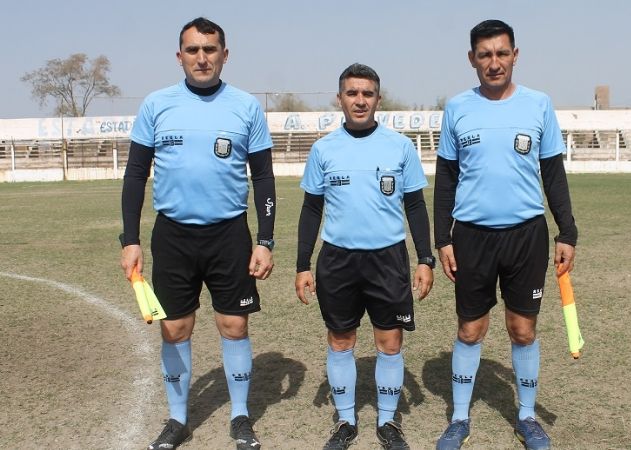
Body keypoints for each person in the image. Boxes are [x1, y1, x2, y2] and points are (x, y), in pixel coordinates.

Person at [119, 17, 275, 450]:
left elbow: (263, 177)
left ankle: (240, 416)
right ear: (179, 56)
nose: (202, 58)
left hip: (229, 235)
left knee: (234, 325)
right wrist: (130, 239)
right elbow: (135, 175)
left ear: (225, 54)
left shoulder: (245, 106)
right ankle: (177, 419)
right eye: (193, 50)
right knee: (174, 329)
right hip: (173, 236)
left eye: (210, 49)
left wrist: (265, 241)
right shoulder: (156, 104)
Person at [433, 20, 577, 450]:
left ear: (515, 55)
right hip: (472, 237)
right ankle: (459, 418)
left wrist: (567, 231)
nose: (493, 62)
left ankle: (527, 416)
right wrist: (443, 238)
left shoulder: (539, 104)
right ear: (472, 59)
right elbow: (446, 179)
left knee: (523, 329)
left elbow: (553, 174)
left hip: (526, 236)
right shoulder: (457, 108)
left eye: (501, 53)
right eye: (485, 55)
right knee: (470, 329)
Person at [295, 63, 434, 450]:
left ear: (378, 99)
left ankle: (388, 422)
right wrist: (302, 265)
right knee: (341, 339)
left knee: (389, 341)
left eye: (367, 93)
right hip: (338, 259)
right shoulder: (323, 149)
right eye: (352, 93)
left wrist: (425, 259)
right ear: (339, 98)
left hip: (388, 258)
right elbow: (311, 210)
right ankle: (345, 421)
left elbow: (415, 206)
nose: (360, 100)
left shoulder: (399, 146)